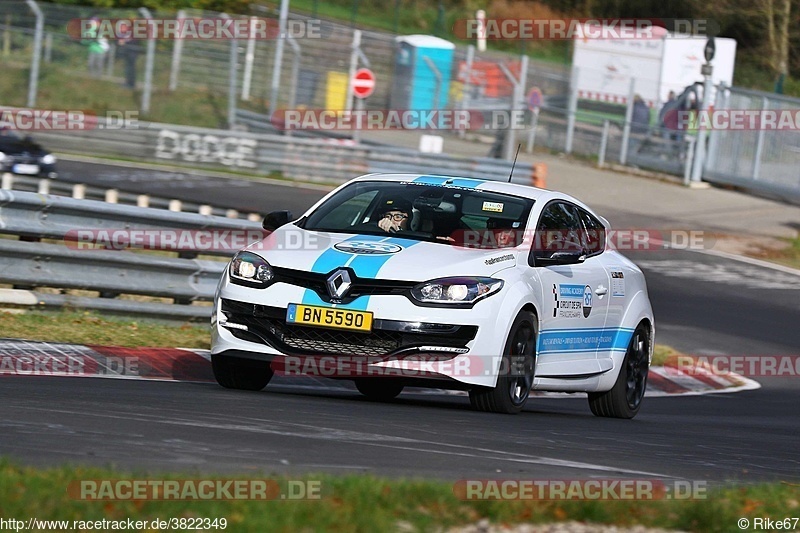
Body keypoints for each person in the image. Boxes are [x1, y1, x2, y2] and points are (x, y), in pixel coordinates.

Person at [116, 21, 141, 89]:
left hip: (132, 53)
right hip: (126, 53)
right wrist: (119, 42)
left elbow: (135, 41)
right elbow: (118, 41)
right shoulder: (121, 34)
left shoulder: (131, 33)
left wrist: (126, 41)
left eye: (123, 27)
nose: (122, 28)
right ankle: (128, 82)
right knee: (127, 68)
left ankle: (131, 84)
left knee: (131, 68)